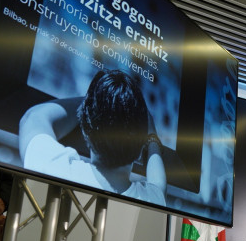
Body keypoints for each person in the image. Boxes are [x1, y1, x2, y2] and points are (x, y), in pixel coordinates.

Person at [19, 69, 166, 205]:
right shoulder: (152, 201)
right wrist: (152, 137)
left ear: (86, 132)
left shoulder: (55, 170)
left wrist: (94, 100)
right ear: (141, 147)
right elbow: (159, 183)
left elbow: (33, 117)